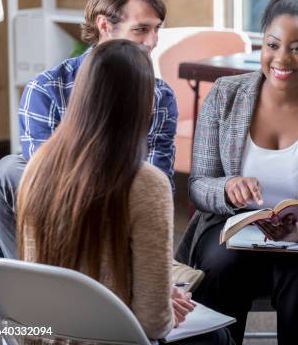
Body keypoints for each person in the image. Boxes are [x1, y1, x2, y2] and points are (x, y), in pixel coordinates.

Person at [175, 0, 298, 344]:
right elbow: (199, 186)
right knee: (220, 264)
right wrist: (228, 189)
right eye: (272, 45)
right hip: (230, 227)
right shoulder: (225, 95)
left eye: (297, 48)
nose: (280, 59)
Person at [17, 39, 232, 344]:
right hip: (106, 336)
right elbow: (153, 326)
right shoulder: (145, 184)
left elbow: (59, 279)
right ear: (142, 103)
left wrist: (150, 296)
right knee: (217, 337)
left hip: (43, 334)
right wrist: (161, 308)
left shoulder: (37, 167)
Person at [0, 0, 178, 259]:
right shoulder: (47, 90)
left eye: (157, 29)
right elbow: (47, 184)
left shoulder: (160, 97)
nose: (152, 41)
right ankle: (25, 283)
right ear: (104, 25)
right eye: (141, 29)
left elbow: (157, 184)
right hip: (62, 213)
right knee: (8, 170)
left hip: (124, 219)